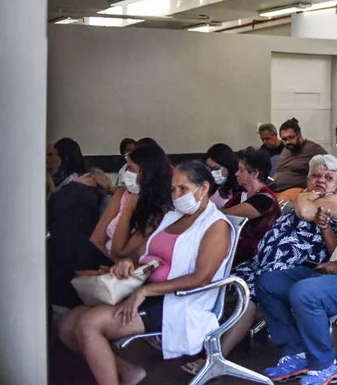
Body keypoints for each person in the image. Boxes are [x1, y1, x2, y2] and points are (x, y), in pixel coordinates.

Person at [57, 161, 233, 385]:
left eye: (183, 189)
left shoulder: (215, 226)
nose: (177, 195)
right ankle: (127, 370)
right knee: (67, 324)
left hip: (176, 302)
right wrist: (126, 265)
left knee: (89, 323)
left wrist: (147, 291)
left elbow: (202, 278)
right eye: (173, 189)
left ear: (204, 188)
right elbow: (140, 254)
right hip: (144, 291)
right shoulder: (172, 217)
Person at [183, 154, 337, 376]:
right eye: (316, 176)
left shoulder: (334, 201)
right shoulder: (307, 198)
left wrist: (305, 194)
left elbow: (304, 211)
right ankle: (189, 341)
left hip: (298, 269)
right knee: (217, 280)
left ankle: (217, 358)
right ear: (308, 177)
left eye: (328, 177)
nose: (321, 180)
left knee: (250, 289)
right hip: (262, 264)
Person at [256, 206, 337, 384]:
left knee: (305, 293)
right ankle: (295, 352)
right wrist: (325, 228)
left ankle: (325, 364)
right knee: (268, 283)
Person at [89, 143, 172, 263]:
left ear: (147, 172)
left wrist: (129, 207)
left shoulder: (159, 209)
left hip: (124, 270)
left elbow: (119, 253)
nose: (126, 173)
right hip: (101, 260)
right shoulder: (121, 193)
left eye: (131, 169)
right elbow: (96, 239)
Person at [47, 170, 113, 308]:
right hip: (85, 251)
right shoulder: (100, 200)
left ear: (89, 178)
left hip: (59, 249)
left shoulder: (69, 192)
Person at [222, 149, 281, 265]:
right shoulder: (241, 196)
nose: (236, 173)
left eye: (241, 170)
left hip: (256, 257)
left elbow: (224, 213)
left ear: (255, 173)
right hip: (235, 251)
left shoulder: (266, 199)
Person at [271, 118, 327, 203]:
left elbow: (331, 166)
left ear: (299, 135)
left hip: (295, 191)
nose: (287, 142)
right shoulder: (287, 149)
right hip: (276, 189)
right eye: (284, 139)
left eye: (291, 137)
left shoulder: (313, 149)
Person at [205, 143, 242, 209]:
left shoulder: (240, 188)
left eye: (216, 168)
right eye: (210, 169)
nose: (212, 173)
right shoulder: (213, 186)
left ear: (228, 165)